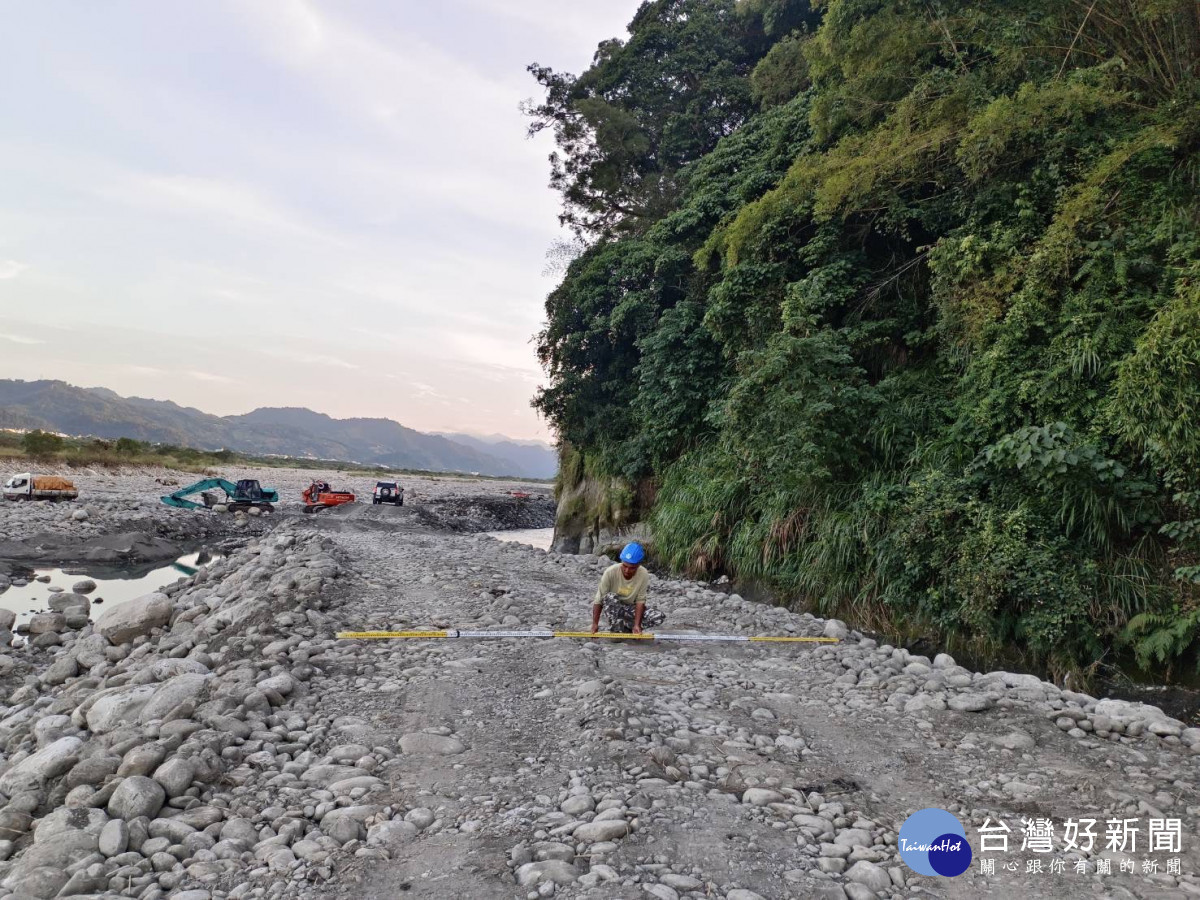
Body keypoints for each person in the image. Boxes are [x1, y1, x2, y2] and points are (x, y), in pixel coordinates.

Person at [590, 542, 666, 634]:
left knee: (658, 616)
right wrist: (595, 624)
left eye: (632, 568)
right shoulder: (610, 572)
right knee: (609, 597)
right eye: (624, 566)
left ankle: (629, 627)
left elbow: (640, 601)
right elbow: (599, 599)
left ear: (638, 565)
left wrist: (637, 625)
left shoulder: (643, 574)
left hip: (630, 608)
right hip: (614, 607)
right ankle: (616, 627)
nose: (627, 570)